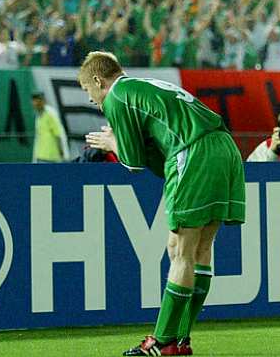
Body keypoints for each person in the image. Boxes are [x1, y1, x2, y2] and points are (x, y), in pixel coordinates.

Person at [77, 51, 245, 356]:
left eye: (88, 90)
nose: (91, 99)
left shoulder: (117, 97)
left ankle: (164, 340)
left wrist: (110, 142)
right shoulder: (145, 87)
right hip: (224, 147)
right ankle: (181, 340)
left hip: (194, 151)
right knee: (194, 248)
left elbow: (132, 162)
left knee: (182, 252)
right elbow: (155, 153)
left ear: (98, 81)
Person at [31, 91, 69, 163]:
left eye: (38, 100)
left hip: (52, 157)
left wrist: (62, 152)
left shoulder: (50, 113)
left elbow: (58, 134)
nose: (35, 103)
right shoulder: (38, 116)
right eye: (34, 100)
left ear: (43, 100)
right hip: (41, 156)